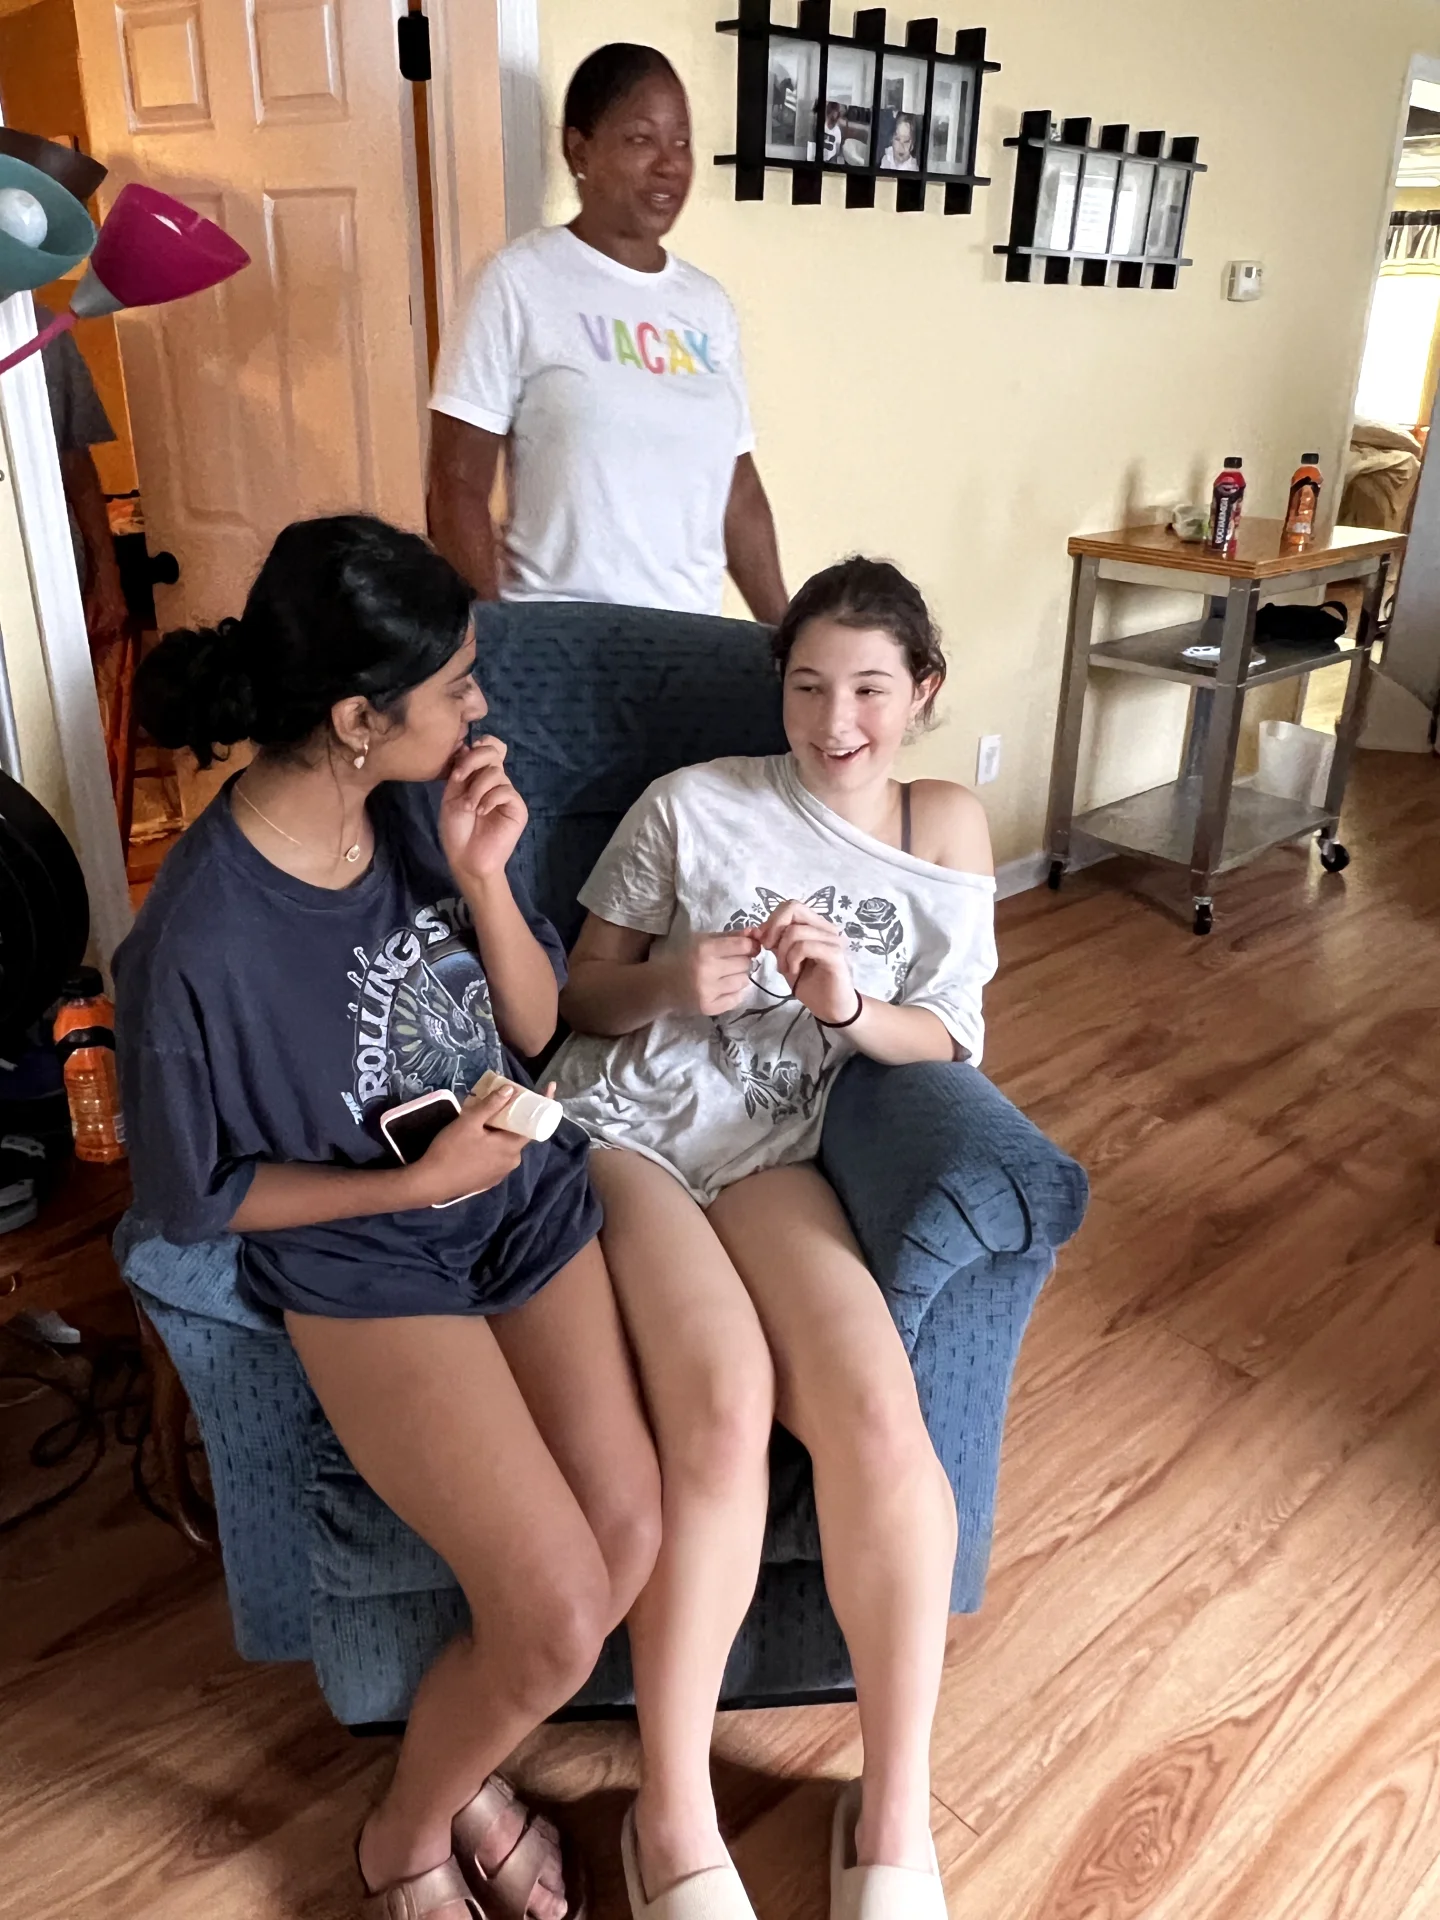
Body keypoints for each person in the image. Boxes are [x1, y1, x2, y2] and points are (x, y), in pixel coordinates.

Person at [114, 514, 662, 1920]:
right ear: (359, 718)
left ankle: (453, 1763)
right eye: (457, 684)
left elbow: (532, 1031)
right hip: (366, 1255)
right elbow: (193, 1195)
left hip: (519, 1201)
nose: (481, 705)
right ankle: (406, 1838)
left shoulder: (425, 805)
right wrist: (410, 1186)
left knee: (629, 1538)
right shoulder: (196, 945)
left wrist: (482, 875)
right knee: (554, 1617)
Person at [550, 557, 996, 1920]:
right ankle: (673, 1814)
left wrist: (846, 1005)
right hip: (625, 1131)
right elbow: (577, 994)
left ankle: (894, 1814)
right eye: (807, 687)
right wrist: (672, 981)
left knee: (875, 1410)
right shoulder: (694, 804)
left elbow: (952, 1036)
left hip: (776, 1148)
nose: (835, 720)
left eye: (868, 688)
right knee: (726, 1398)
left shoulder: (946, 826)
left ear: (922, 691)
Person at [427, 43, 787, 624]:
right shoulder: (518, 282)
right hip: (560, 636)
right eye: (642, 139)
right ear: (580, 150)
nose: (669, 164)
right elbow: (456, 485)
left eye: (682, 142)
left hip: (691, 641)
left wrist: (788, 635)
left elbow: (737, 490)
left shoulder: (707, 305)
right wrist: (493, 642)